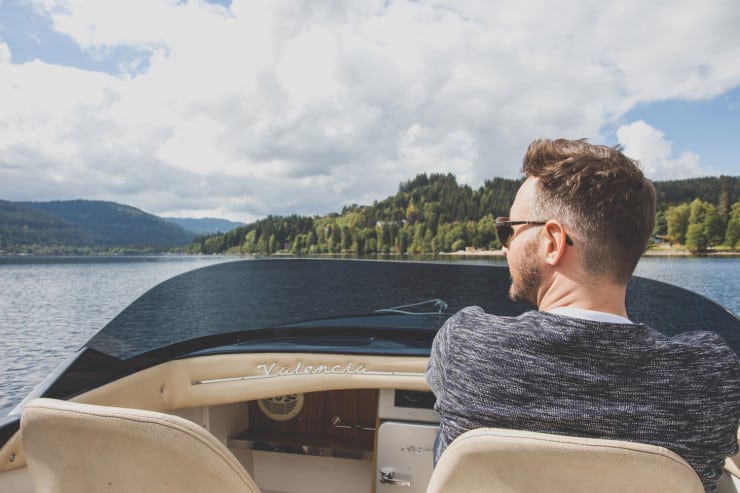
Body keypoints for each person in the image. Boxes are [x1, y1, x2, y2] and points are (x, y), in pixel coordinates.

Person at [426, 138, 740, 491]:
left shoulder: (465, 344)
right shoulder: (709, 375)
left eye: (508, 230)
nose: (504, 245)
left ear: (552, 242)